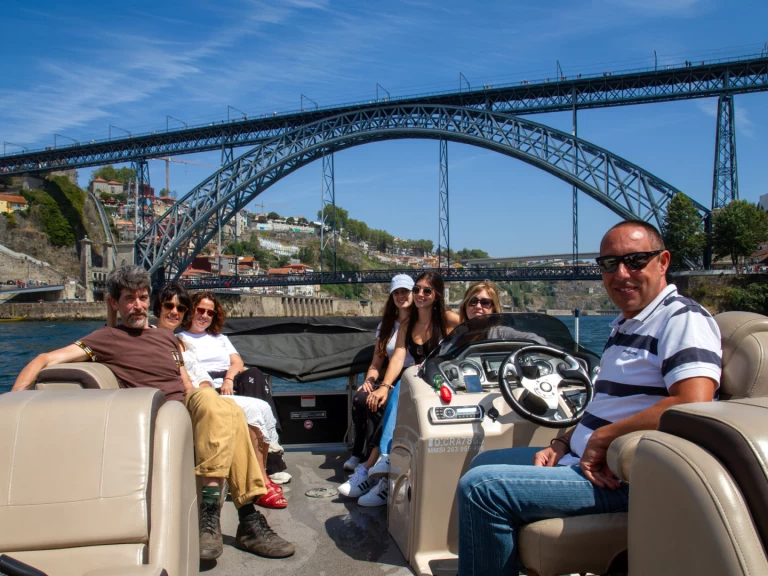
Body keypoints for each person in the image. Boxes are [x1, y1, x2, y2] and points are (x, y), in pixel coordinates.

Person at [456, 221, 722, 576]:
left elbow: (693, 404)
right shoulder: (625, 326)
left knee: (481, 489)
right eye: (609, 264)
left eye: (636, 260)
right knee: (481, 465)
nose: (621, 273)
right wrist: (563, 442)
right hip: (583, 460)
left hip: (626, 478)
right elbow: (604, 406)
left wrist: (603, 438)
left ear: (663, 262)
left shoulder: (682, 319)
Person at [12, 266, 295, 561]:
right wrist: (16, 400)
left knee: (225, 410)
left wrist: (205, 398)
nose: (138, 306)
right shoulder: (104, 339)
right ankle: (239, 518)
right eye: (130, 299)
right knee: (223, 410)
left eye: (143, 298)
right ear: (115, 303)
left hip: (187, 405)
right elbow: (45, 358)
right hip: (161, 413)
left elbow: (185, 382)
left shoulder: (168, 339)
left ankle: (224, 518)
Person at [136, 281, 287, 510]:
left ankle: (260, 474)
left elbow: (199, 373)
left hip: (208, 390)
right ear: (159, 308)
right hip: (191, 397)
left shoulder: (180, 342)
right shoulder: (157, 336)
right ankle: (260, 483)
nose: (175, 312)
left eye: (180, 308)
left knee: (258, 394)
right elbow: (183, 377)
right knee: (253, 408)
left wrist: (213, 385)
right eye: (169, 306)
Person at [341, 271, 460, 501]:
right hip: (416, 385)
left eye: (427, 290)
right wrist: (384, 385)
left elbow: (471, 341)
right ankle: (380, 471)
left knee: (403, 386)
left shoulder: (449, 321)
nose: (420, 294)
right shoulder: (407, 325)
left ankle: (373, 465)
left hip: (440, 386)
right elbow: (397, 358)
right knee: (401, 385)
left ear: (437, 294)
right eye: (417, 289)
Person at [178, 291, 290, 483]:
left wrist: (229, 379)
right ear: (190, 310)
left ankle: (271, 450)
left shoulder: (219, 338)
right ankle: (268, 464)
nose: (204, 316)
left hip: (230, 381)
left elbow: (237, 362)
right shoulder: (180, 338)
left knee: (254, 374)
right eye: (200, 310)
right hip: (205, 386)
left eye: (210, 313)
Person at [339, 274, 415, 506]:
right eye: (397, 292)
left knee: (386, 400)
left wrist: (385, 386)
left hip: (411, 377)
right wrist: (370, 381)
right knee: (363, 398)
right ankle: (359, 453)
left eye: (405, 291)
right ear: (392, 297)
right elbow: (376, 363)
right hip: (389, 377)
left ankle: (375, 464)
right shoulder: (386, 327)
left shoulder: (420, 322)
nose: (401, 296)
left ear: (414, 293)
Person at [458, 280, 545, 344]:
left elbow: (538, 341)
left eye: (485, 302)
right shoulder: (455, 339)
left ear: (494, 308)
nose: (478, 306)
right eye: (472, 301)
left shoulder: (502, 334)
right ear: (465, 306)